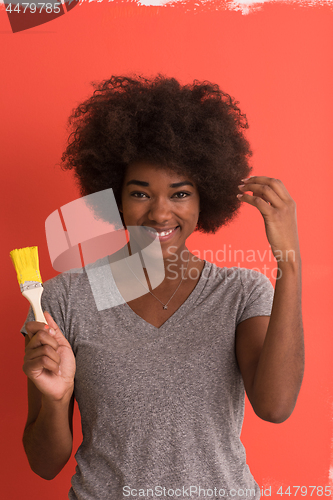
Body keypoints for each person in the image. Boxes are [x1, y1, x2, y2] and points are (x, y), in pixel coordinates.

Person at [21, 75, 304, 500]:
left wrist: (289, 263)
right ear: (115, 196)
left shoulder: (241, 292)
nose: (159, 212)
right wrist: (57, 400)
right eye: (140, 193)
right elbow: (44, 466)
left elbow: (275, 406)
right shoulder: (62, 300)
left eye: (180, 193)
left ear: (203, 199)